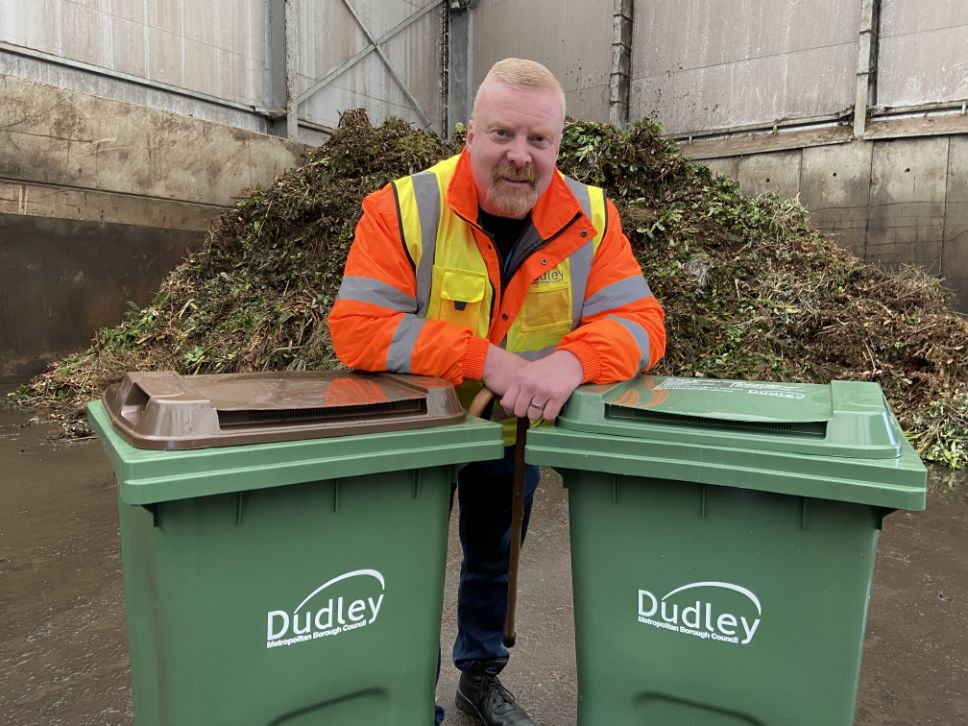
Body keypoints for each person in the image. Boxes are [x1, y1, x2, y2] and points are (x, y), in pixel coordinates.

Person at [328, 58, 665, 726]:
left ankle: (479, 680)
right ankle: (405, 699)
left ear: (558, 145)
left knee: (494, 562)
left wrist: (572, 362)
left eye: (539, 140)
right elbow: (359, 327)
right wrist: (485, 361)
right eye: (503, 134)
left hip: (511, 433)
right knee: (402, 570)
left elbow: (641, 322)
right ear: (470, 135)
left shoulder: (592, 218)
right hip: (417, 435)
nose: (520, 155)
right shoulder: (403, 208)